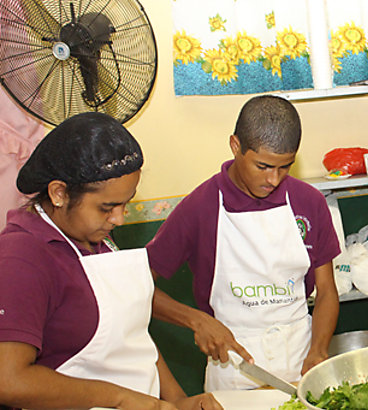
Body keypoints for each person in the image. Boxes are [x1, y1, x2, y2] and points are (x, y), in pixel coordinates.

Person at [0, 112, 221, 410]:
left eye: (125, 204)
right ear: (59, 193)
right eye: (108, 207)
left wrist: (179, 401)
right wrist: (119, 397)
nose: (118, 218)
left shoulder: (94, 238)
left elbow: (129, 337)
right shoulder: (23, 256)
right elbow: (10, 381)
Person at [147, 95, 341, 391]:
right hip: (233, 368)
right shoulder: (200, 207)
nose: (274, 179)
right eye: (262, 166)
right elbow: (137, 288)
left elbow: (326, 291)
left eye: (285, 167)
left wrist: (319, 349)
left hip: (300, 362)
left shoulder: (308, 202)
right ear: (235, 146)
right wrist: (196, 320)